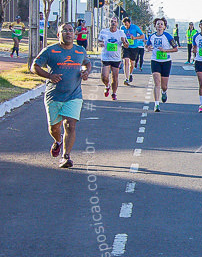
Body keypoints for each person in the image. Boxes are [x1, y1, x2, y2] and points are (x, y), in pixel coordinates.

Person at [32, 22, 92, 168]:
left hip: (74, 95)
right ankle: (57, 141)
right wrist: (49, 76)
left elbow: (87, 63)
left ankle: (66, 156)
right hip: (54, 95)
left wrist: (86, 72)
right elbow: (34, 66)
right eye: (64, 30)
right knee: (54, 127)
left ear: (74, 34)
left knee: (70, 125)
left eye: (70, 30)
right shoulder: (50, 51)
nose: (68, 33)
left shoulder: (80, 51)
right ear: (59, 34)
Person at [147, 17, 178, 112]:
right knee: (157, 82)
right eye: (158, 24)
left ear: (164, 27)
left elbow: (175, 48)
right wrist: (148, 48)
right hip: (155, 61)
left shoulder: (168, 36)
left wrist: (165, 50)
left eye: (161, 24)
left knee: (164, 85)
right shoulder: (151, 36)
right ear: (155, 26)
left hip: (166, 62)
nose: (159, 26)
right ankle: (156, 104)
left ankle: (164, 92)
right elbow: (148, 46)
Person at [97, 17, 130, 100]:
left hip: (116, 58)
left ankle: (114, 93)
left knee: (115, 77)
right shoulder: (104, 32)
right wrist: (101, 43)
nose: (113, 23)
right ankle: (107, 86)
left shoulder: (121, 33)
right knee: (104, 76)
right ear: (109, 22)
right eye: (112, 21)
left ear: (117, 24)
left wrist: (124, 42)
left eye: (115, 22)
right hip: (106, 57)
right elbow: (99, 41)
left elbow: (127, 45)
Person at [121, 17, 145, 84]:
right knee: (126, 61)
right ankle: (126, 78)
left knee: (132, 63)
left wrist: (135, 38)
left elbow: (142, 36)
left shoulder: (135, 27)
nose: (126, 26)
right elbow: (121, 36)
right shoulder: (122, 28)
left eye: (127, 25)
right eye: (125, 25)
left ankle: (130, 74)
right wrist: (123, 42)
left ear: (130, 23)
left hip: (134, 47)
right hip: (125, 47)